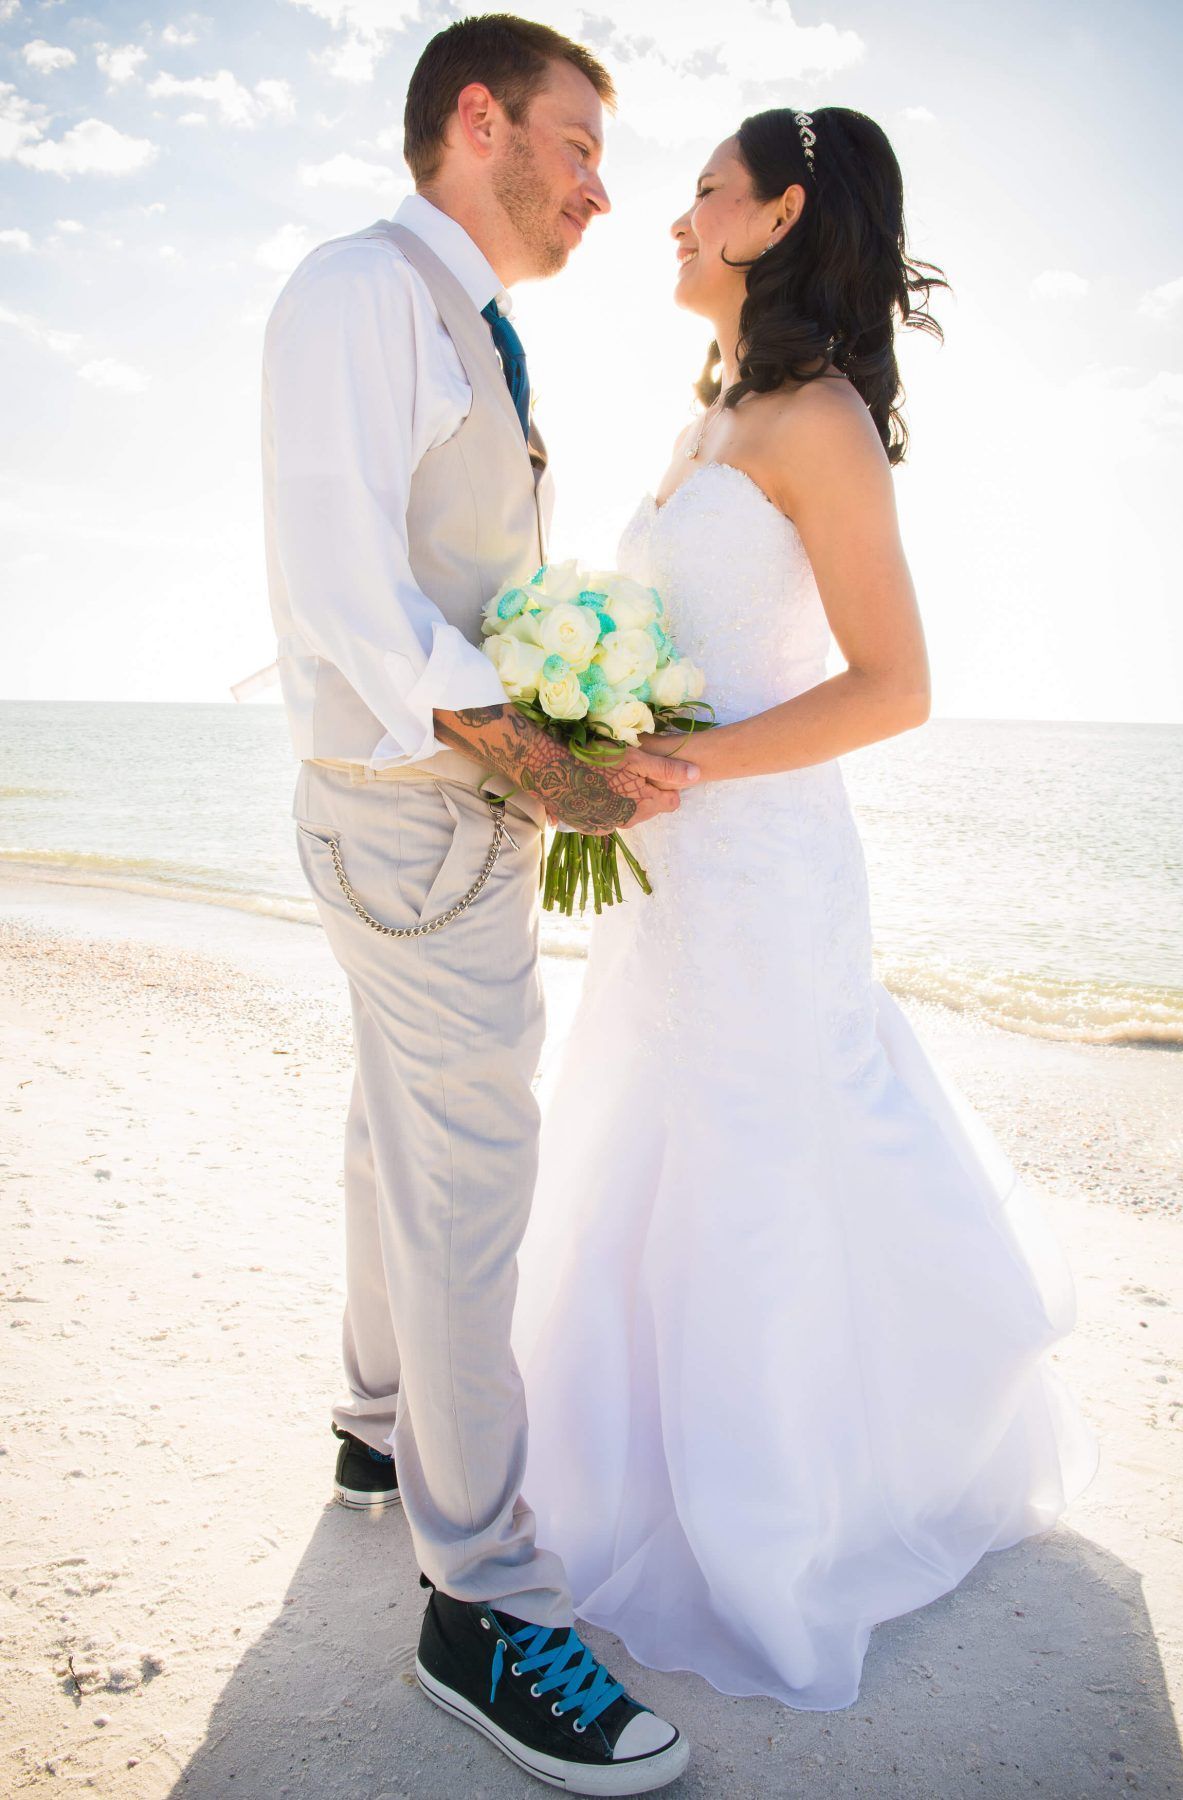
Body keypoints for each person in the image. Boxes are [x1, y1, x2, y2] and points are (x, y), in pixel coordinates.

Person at [513, 105, 1099, 1712]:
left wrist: (679, 759)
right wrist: (592, 732)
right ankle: (623, 1478)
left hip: (759, 871)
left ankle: (778, 1519)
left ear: (774, 215)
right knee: (641, 1138)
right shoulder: (713, 411)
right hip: (669, 869)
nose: (671, 215)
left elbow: (896, 686)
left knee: (759, 1165)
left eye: (703, 192)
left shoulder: (814, 423)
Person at [261, 14, 692, 1793]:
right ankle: (482, 1602)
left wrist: (550, 727)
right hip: (423, 805)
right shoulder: (362, 290)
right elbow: (344, 583)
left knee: (399, 1138)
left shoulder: (465, 322)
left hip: (435, 804)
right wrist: (543, 755)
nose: (602, 187)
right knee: (467, 1182)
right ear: (476, 120)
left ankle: (375, 1432)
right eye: (579, 144)